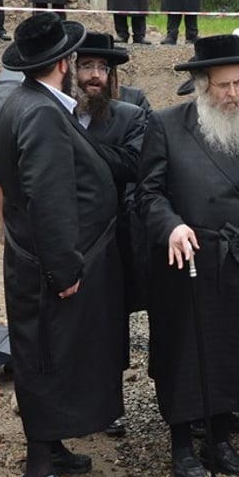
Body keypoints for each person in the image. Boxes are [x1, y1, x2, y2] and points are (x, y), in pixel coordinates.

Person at [0, 13, 127, 477]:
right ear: (64, 62)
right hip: (44, 264)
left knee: (52, 353)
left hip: (34, 257)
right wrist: (65, 268)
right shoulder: (43, 113)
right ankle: (37, 473)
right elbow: (49, 199)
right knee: (45, 358)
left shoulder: (25, 100)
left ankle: (52, 446)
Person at [137, 35, 239, 477]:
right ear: (202, 84)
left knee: (231, 349)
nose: (233, 94)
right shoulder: (166, 125)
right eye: (223, 86)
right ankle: (182, 443)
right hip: (190, 256)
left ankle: (219, 438)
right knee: (186, 350)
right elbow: (148, 195)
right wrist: (172, 226)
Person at [73, 31, 149, 440]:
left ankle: (110, 408)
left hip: (113, 236)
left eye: (103, 68)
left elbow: (133, 165)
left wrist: (75, 148)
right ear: (71, 69)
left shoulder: (129, 116)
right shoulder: (57, 113)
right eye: (87, 67)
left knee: (109, 323)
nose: (96, 76)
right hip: (67, 234)